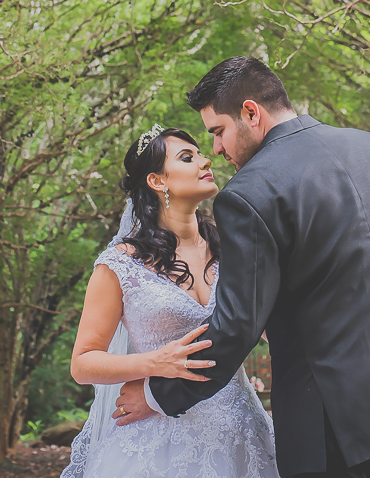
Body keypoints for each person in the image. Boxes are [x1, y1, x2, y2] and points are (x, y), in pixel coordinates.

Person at [112, 57, 370, 478]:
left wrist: (158, 395)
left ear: (251, 112)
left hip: (335, 421)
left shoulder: (249, 193)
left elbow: (235, 329)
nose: (215, 149)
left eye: (218, 131)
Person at [61, 125, 278, 478]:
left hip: (241, 430)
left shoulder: (234, 248)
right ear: (157, 181)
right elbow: (83, 363)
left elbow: (265, 321)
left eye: (200, 154)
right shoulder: (120, 263)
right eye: (187, 157)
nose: (207, 159)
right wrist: (154, 361)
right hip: (156, 438)